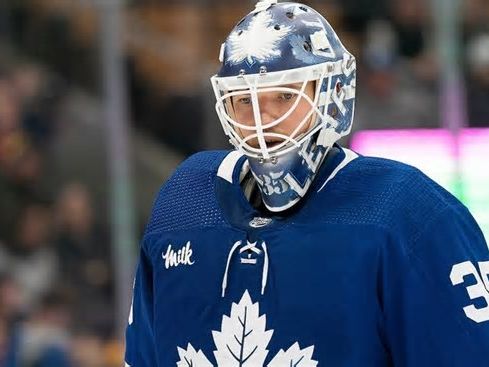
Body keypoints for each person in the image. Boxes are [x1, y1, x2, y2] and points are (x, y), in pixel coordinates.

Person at [125, 1, 489, 366]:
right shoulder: (183, 202)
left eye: (284, 96)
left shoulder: (410, 212)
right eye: (242, 100)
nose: (261, 120)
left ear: (331, 97)